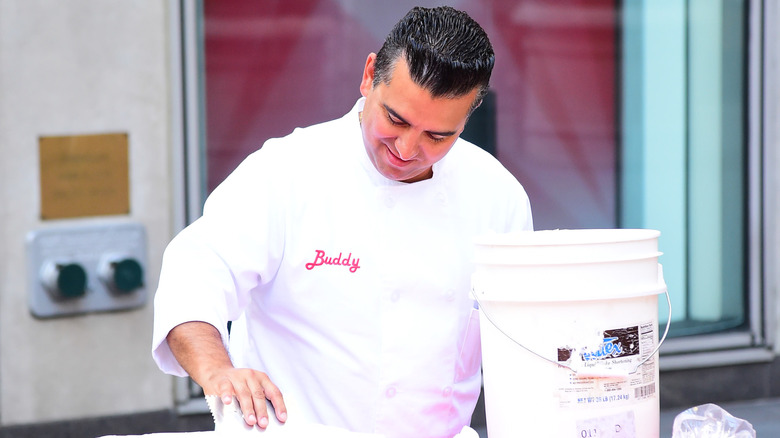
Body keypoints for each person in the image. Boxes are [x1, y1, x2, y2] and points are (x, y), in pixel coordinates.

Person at [152, 6, 533, 438]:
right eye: (396, 119)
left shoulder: (498, 198)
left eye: (437, 136)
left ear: (469, 116)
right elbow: (194, 277)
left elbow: (526, 342)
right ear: (370, 75)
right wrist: (218, 371)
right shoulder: (286, 171)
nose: (407, 149)